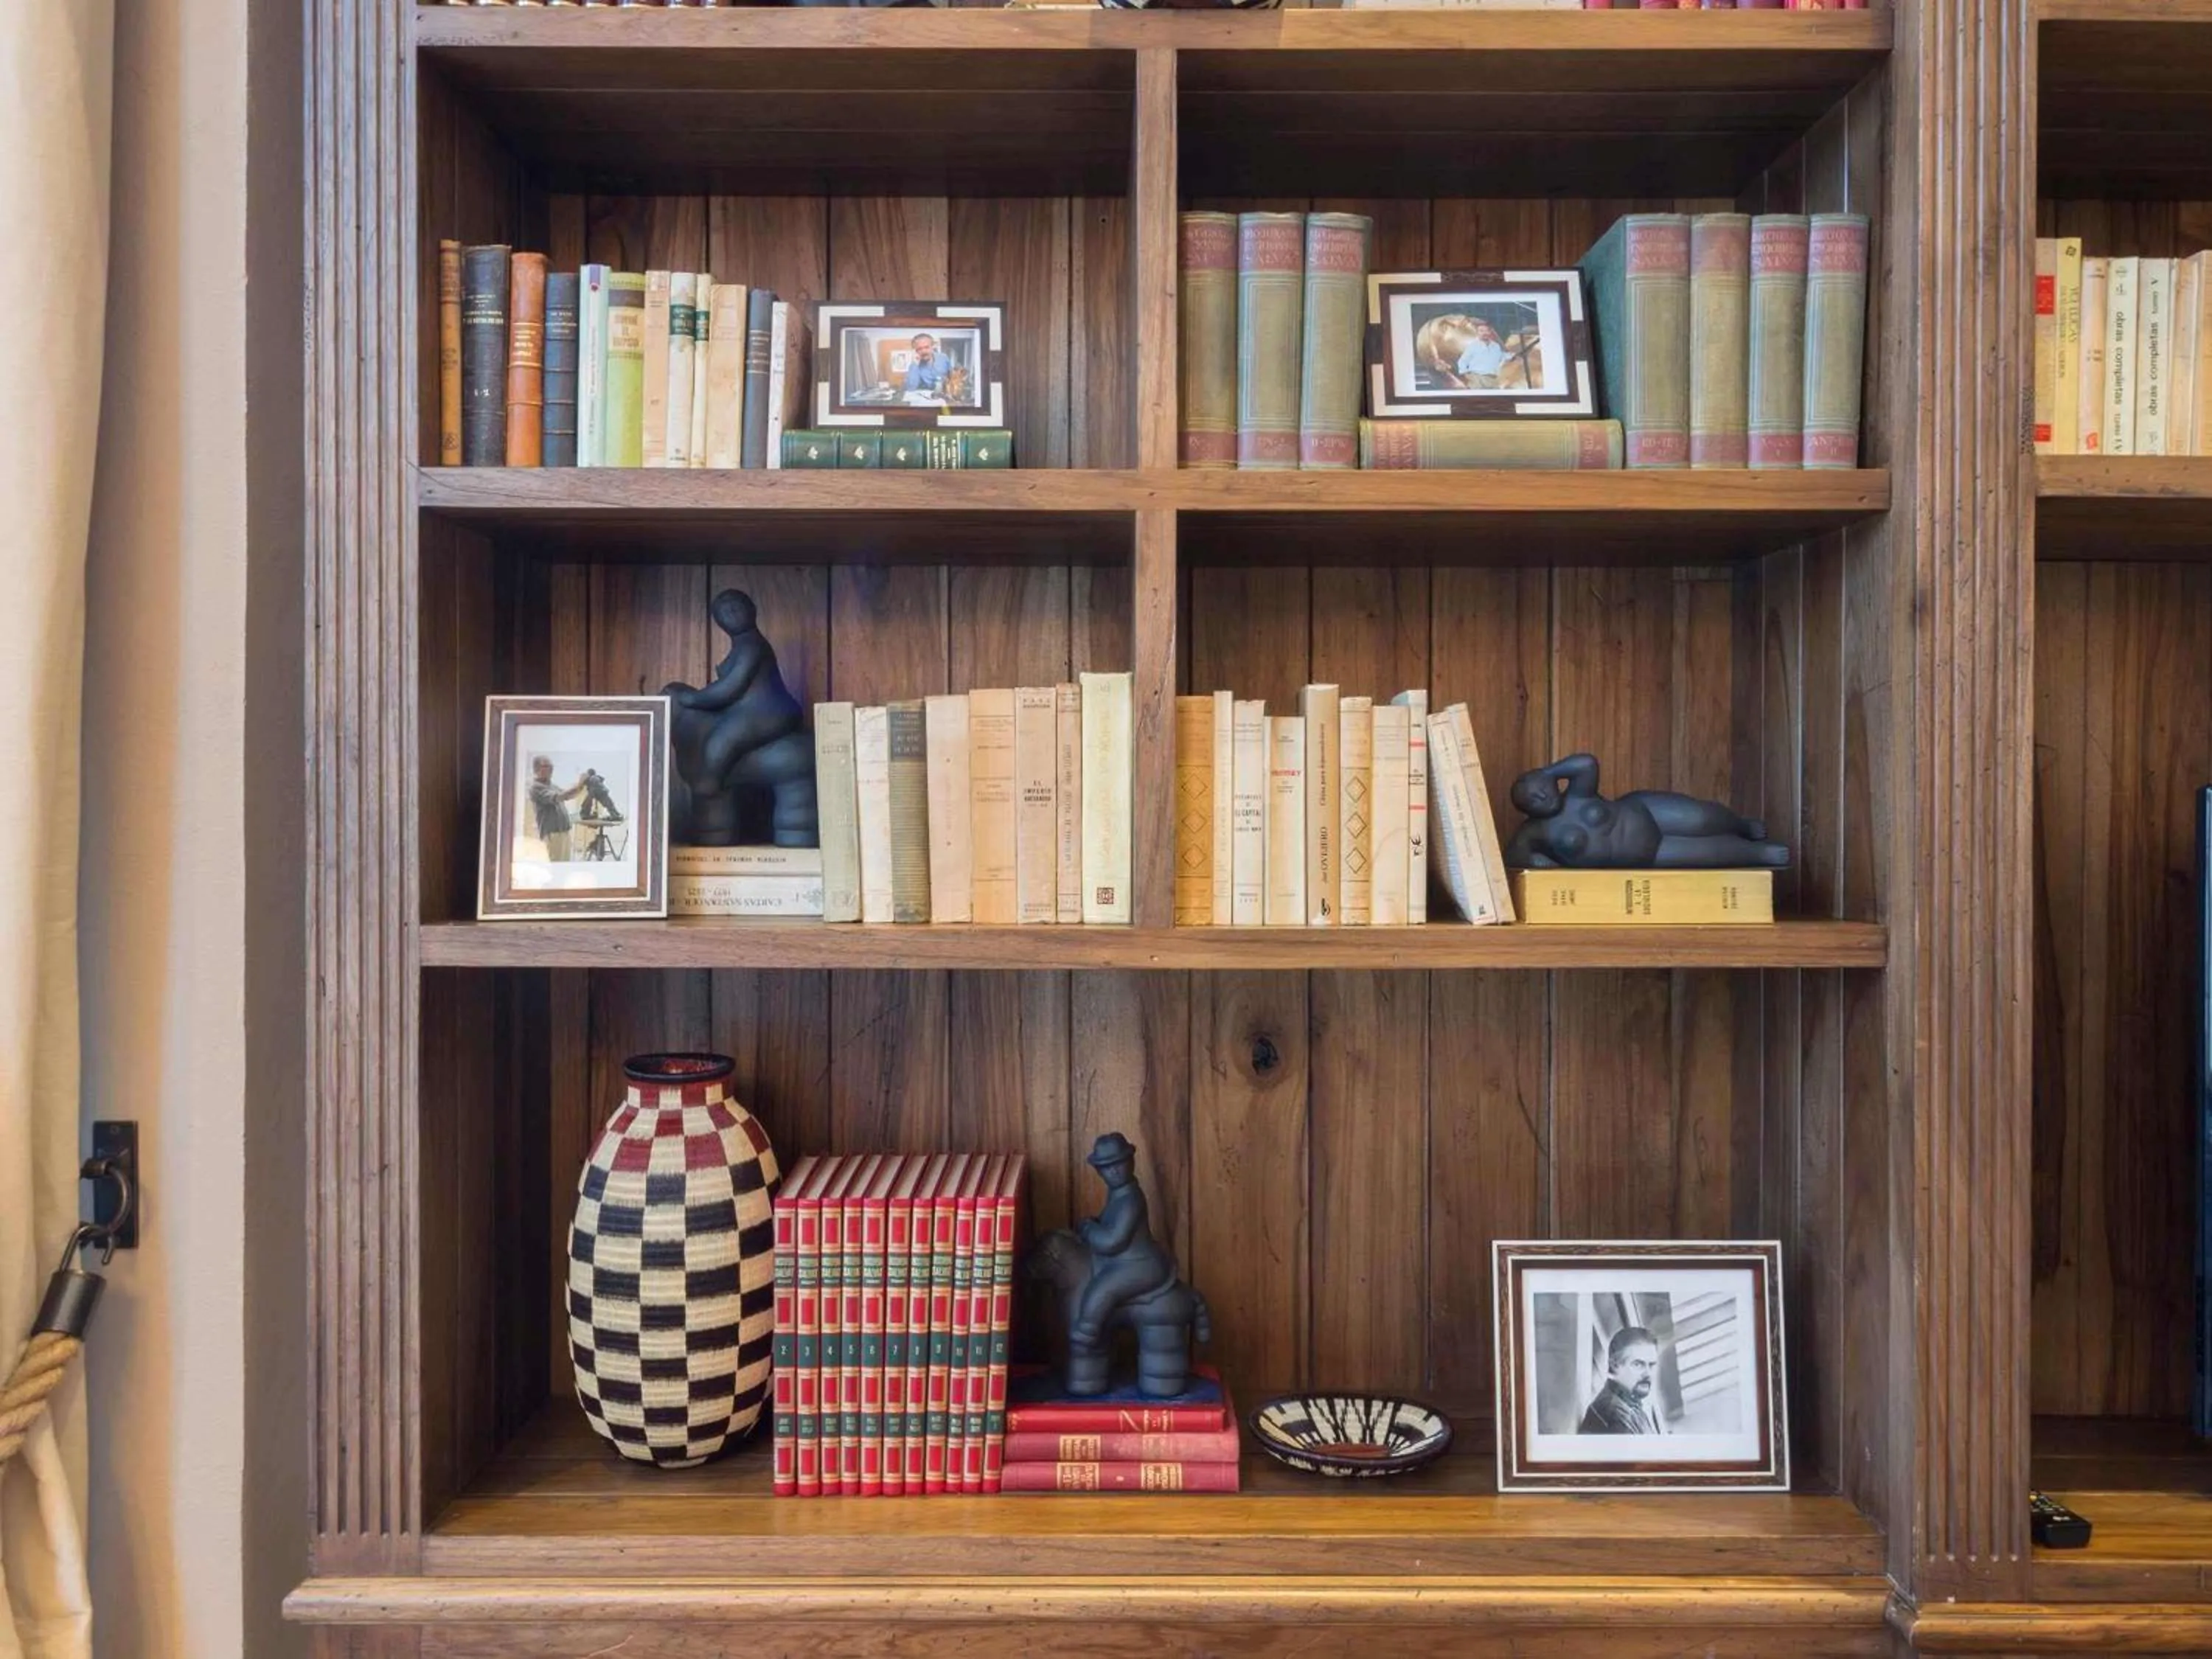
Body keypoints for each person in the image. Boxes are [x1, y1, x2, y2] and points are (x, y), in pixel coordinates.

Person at [1579, 1325, 1669, 1435]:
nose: (1647, 1374)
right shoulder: (1614, 1414)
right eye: (1638, 1364)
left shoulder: (1630, 1405)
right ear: (1615, 1365)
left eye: (1651, 1365)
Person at [527, 755, 588, 863]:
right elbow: (559, 797)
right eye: (546, 766)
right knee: (555, 867)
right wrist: (579, 785)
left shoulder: (552, 786)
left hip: (564, 833)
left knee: (564, 865)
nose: (551, 769)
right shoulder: (536, 787)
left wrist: (581, 787)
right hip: (553, 835)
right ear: (536, 769)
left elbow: (568, 796)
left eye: (551, 766)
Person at [901, 333, 955, 398]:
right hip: (924, 400)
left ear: (933, 346)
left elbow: (952, 377)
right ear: (915, 351)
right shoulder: (914, 366)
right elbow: (910, 388)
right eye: (919, 349)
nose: (924, 351)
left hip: (943, 398)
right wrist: (915, 364)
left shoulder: (943, 358)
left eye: (927, 347)